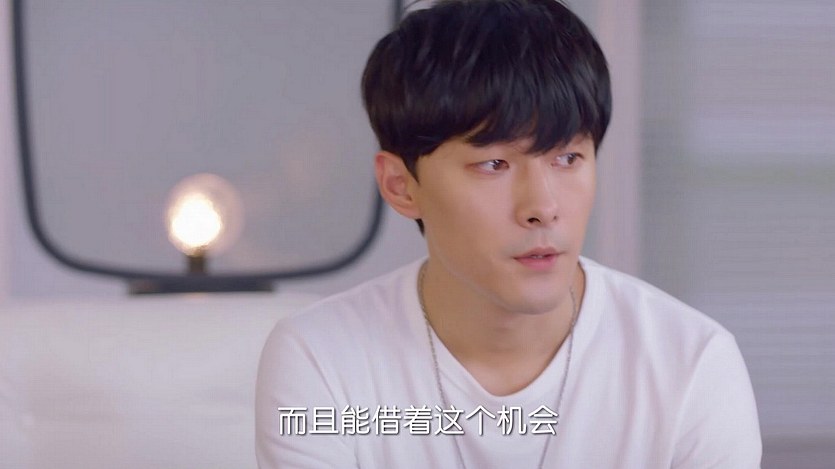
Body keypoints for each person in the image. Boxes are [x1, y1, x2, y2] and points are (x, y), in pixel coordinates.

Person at [255, 0, 762, 467]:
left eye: (568, 158)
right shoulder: (322, 359)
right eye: (494, 164)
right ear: (401, 185)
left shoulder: (690, 365)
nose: (542, 207)